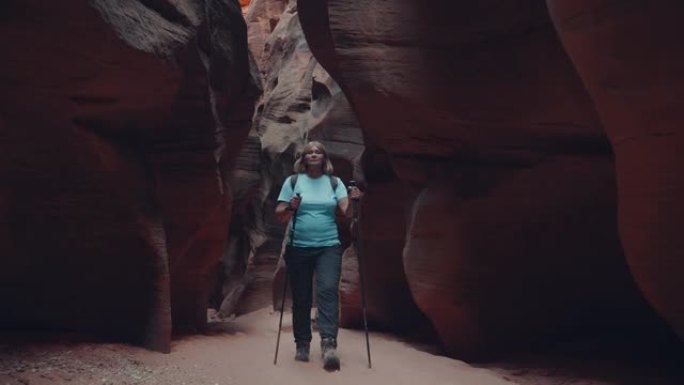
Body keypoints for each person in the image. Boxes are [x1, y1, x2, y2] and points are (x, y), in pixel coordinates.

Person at [275, 141, 361, 371]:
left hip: (328, 246)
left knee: (327, 291)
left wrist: (353, 200)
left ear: (324, 158)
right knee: (302, 297)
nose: (313, 155)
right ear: (303, 158)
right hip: (298, 246)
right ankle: (302, 344)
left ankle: (328, 344)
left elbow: (346, 212)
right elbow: (280, 215)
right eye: (309, 152)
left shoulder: (334, 183)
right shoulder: (292, 182)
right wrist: (291, 207)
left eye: (318, 152)